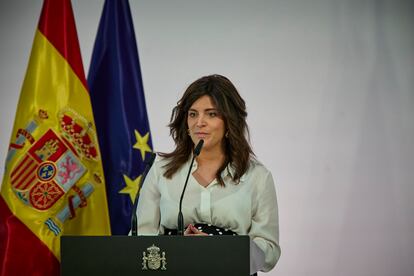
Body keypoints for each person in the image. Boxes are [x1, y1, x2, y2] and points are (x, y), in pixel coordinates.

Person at [136, 74, 281, 274]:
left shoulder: (257, 177)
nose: (199, 123)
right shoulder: (160, 171)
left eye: (211, 114)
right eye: (193, 114)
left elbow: (269, 253)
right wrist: (176, 248)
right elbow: (139, 241)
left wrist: (220, 248)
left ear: (230, 121)